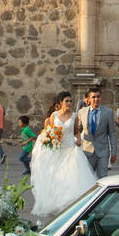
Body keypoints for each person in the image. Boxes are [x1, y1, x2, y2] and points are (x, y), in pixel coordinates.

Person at [30, 93, 95, 222]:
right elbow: (48, 132)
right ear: (60, 102)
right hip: (58, 149)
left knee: (73, 176)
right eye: (67, 101)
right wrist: (50, 140)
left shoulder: (74, 116)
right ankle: (57, 203)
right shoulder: (54, 116)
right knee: (57, 177)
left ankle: (72, 203)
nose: (69, 103)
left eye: (71, 101)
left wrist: (78, 139)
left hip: (71, 149)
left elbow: (76, 130)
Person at [77, 87, 118, 177]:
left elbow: (112, 133)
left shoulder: (108, 112)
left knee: (103, 177)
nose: (96, 99)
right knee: (87, 177)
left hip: (103, 151)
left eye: (98, 97)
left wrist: (114, 152)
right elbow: (77, 131)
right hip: (87, 151)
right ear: (88, 99)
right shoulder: (82, 112)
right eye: (93, 97)